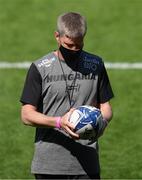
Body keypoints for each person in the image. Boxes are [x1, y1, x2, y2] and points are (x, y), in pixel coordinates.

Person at [20, 12, 114, 179]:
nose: (74, 50)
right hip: (49, 166)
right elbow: (27, 115)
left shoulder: (96, 65)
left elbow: (105, 107)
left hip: (87, 164)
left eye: (79, 45)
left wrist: (102, 123)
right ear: (57, 36)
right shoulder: (40, 68)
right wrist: (58, 122)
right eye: (69, 45)